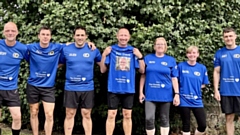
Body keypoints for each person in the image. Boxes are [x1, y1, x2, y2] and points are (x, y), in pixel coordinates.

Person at [26, 26, 96, 135]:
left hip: (48, 86)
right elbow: (20, 52)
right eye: (43, 34)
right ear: (38, 36)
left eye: (47, 35)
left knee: (49, 114)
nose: (45, 37)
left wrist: (89, 43)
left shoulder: (58, 47)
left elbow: (73, 44)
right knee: (34, 112)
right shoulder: (30, 47)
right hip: (33, 85)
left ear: (51, 37)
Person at [101, 28, 145, 135]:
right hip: (113, 87)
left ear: (129, 37)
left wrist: (140, 57)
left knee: (127, 115)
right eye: (121, 35)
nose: (123, 38)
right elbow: (102, 70)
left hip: (128, 88)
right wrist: (104, 55)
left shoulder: (133, 51)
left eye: (125, 36)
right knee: (111, 114)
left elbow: (142, 71)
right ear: (117, 36)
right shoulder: (111, 50)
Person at [59, 26, 102, 135]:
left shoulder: (93, 50)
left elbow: (103, 67)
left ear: (86, 37)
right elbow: (58, 64)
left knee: (86, 114)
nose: (80, 37)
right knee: (69, 114)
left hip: (87, 87)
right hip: (70, 87)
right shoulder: (66, 49)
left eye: (82, 35)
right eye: (77, 35)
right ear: (74, 36)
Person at [139, 37, 180, 135]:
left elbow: (174, 78)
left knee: (164, 118)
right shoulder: (147, 58)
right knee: (149, 119)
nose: (160, 46)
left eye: (162, 44)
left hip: (165, 94)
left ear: (165, 47)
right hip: (150, 94)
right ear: (154, 46)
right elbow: (143, 75)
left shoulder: (171, 60)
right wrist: (140, 92)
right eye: (158, 44)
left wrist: (177, 94)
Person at [0, 22, 28, 135]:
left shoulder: (23, 48)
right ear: (3, 32)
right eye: (7, 30)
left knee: (17, 117)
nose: (10, 33)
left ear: (17, 32)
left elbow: (37, 57)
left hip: (11, 88)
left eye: (12, 30)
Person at [213, 27, 240, 135]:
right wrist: (216, 90)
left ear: (235, 37)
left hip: (239, 90)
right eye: (226, 36)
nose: (228, 38)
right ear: (223, 38)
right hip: (226, 91)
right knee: (229, 118)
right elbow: (216, 72)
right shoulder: (219, 53)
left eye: (230, 36)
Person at [178, 46, 209, 135]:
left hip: (197, 100)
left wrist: (194, 88)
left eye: (194, 53)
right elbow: (175, 81)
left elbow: (203, 84)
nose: (192, 55)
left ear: (198, 54)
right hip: (184, 99)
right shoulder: (180, 66)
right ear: (187, 55)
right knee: (186, 124)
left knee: (202, 125)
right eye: (189, 53)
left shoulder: (202, 68)